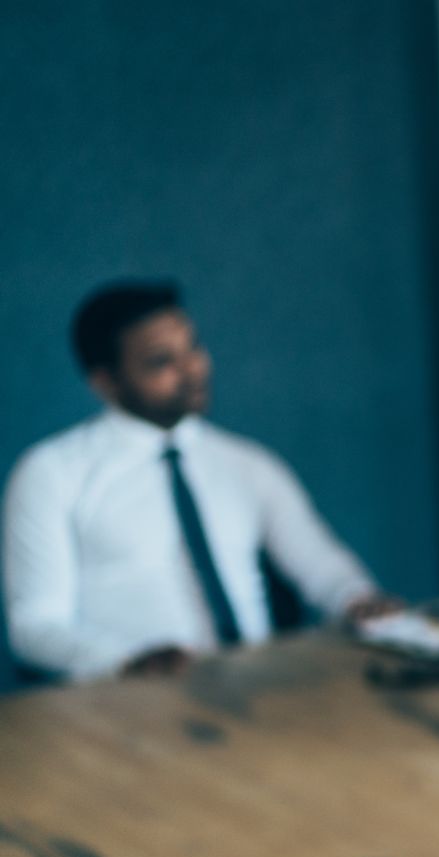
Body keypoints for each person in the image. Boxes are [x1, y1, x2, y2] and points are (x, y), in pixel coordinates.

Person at [4, 280, 396, 681]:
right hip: (128, 702)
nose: (192, 368)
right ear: (106, 381)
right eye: (161, 361)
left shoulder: (247, 463)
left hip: (256, 689)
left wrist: (358, 600)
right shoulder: (51, 473)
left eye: (192, 347)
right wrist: (125, 663)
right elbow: (35, 625)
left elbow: (320, 564)